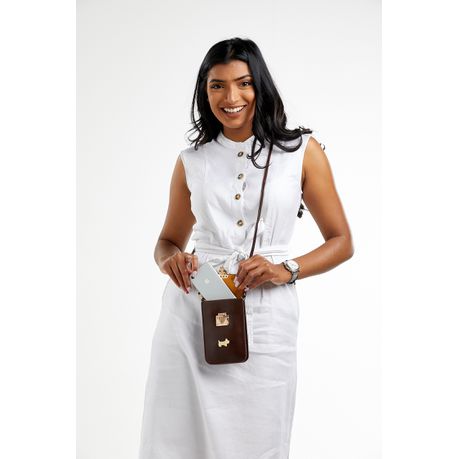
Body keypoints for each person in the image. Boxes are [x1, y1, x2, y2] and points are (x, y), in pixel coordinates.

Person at [138, 37, 354, 459]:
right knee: (176, 440)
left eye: (244, 83)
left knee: (258, 440)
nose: (231, 97)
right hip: (193, 309)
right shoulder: (192, 161)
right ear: (205, 92)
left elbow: (341, 241)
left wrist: (285, 269)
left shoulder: (301, 153)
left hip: (268, 317)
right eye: (217, 85)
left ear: (261, 86)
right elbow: (166, 242)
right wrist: (172, 260)